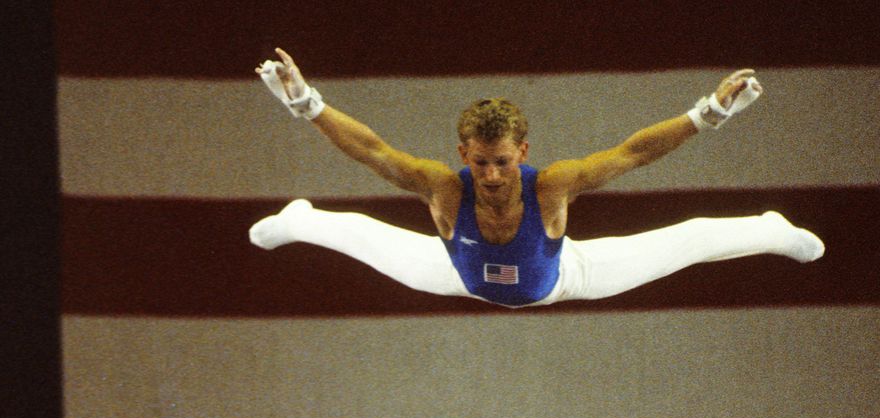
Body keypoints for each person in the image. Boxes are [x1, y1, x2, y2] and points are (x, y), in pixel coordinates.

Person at [250, 48, 824, 308]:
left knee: (690, 239)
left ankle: (771, 229)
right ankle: (300, 219)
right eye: (481, 162)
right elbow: (371, 149)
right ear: (463, 153)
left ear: (523, 150)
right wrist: (307, 104)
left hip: (565, 279)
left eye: (503, 161)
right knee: (355, 233)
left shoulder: (552, 186)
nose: (493, 175)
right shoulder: (445, 188)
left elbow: (633, 153)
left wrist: (710, 112)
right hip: (458, 275)